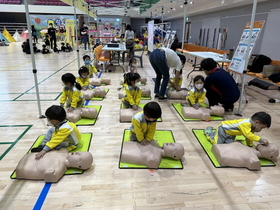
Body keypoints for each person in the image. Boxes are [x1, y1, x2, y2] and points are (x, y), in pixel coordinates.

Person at [16, 148, 93, 182]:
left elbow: (51, 177)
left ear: (78, 165)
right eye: (80, 152)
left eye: (79, 157)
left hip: (22, 169)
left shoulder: (59, 168)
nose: (77, 152)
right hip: (28, 157)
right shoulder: (64, 151)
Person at [204, 111, 271, 146]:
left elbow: (249, 138)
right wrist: (260, 140)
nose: (260, 130)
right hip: (223, 129)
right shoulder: (246, 124)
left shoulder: (251, 127)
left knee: (229, 145)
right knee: (218, 144)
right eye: (262, 128)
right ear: (256, 122)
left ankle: (214, 134)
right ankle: (208, 133)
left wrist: (250, 146)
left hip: (231, 133)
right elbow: (249, 135)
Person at [212, 142, 278, 170]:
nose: (266, 144)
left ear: (270, 155)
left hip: (222, 156)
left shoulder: (254, 160)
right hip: (218, 148)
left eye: (269, 147)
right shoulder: (247, 147)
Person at [120, 140, 185, 168]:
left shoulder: (155, 159)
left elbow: (152, 164)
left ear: (173, 155)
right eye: (174, 143)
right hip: (128, 145)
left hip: (125, 153)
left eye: (174, 148)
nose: (171, 143)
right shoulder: (155, 144)